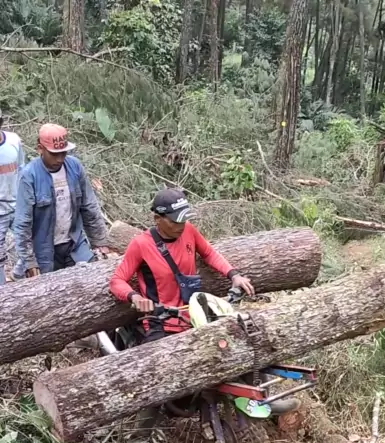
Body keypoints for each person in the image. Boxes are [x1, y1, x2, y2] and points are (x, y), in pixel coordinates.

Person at [109, 187, 254, 338]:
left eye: (184, 220)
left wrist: (234, 275)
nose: (181, 225)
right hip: (160, 323)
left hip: (195, 316)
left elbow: (209, 253)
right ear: (158, 219)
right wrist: (135, 297)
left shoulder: (189, 230)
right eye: (175, 221)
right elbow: (116, 281)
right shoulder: (141, 244)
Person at [14, 123, 109, 278]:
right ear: (40, 149)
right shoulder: (30, 175)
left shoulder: (74, 167)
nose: (59, 159)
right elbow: (23, 222)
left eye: (63, 153)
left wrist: (100, 242)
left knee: (91, 278)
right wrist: (29, 261)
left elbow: (89, 207)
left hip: (74, 243)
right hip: (44, 249)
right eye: (54, 154)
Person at [0, 110, 24, 286]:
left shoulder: (13, 140)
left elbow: (22, 169)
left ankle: (19, 275)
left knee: (33, 242)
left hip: (18, 205)